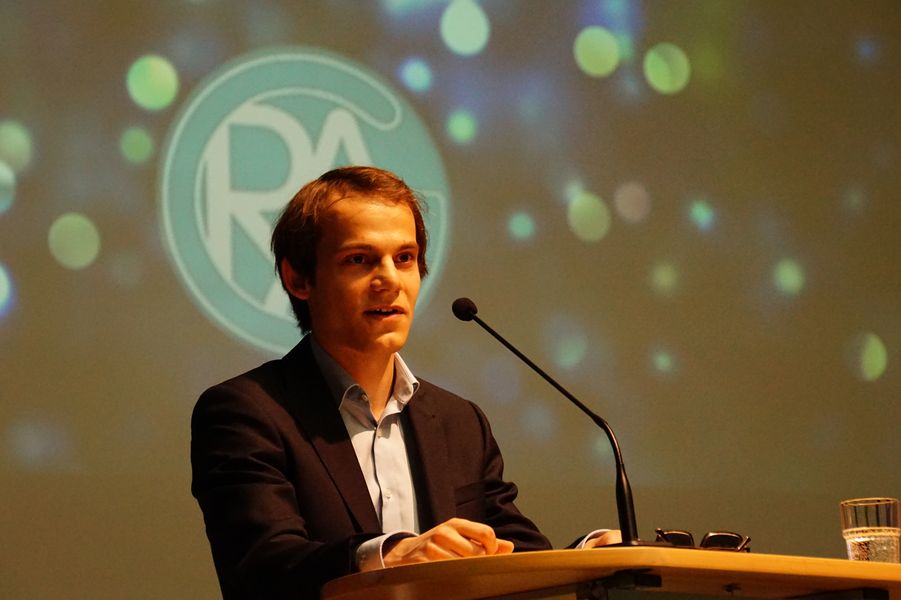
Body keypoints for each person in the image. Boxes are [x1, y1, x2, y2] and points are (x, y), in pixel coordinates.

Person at [191, 166, 615, 600]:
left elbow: (514, 558)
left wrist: (595, 561)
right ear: (298, 279)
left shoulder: (459, 422)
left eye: (405, 258)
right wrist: (389, 556)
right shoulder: (246, 412)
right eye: (359, 259)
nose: (390, 280)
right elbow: (263, 567)